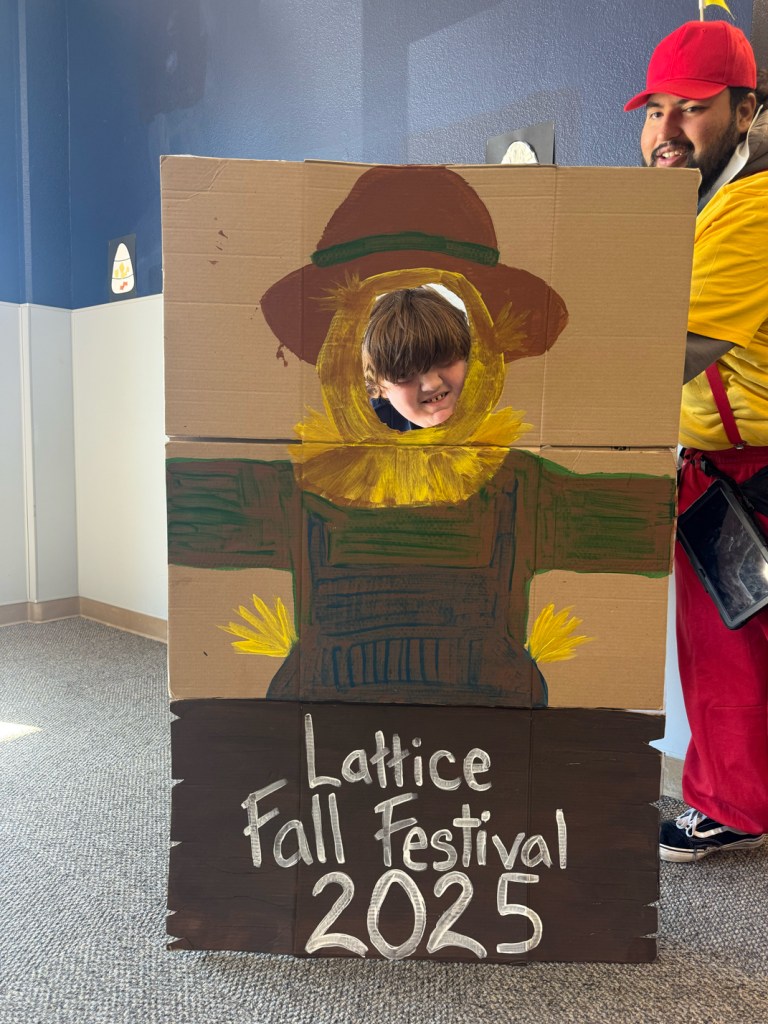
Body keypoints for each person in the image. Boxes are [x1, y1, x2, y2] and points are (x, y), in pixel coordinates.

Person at [625, 19, 768, 862]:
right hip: (717, 461)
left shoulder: (750, 212)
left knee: (731, 652)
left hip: (748, 468)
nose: (665, 133)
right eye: (655, 112)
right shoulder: (705, 200)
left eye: (693, 111)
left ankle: (729, 806)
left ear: (746, 111)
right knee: (730, 649)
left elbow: (670, 353)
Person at [362, 286, 470, 431]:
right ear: (379, 387)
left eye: (446, 359)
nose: (432, 384)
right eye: (404, 374)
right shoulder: (374, 423)